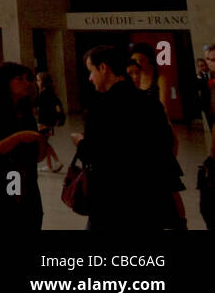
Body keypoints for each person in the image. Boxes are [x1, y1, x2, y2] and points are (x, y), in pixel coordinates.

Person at [73, 45, 184, 230]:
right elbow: (166, 145)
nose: (90, 78)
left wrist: (80, 142)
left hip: (112, 202)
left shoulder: (100, 107)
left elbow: (92, 154)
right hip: (149, 201)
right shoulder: (150, 103)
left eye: (91, 71)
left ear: (103, 68)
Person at [0, 61, 43, 230]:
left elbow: (37, 156)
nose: (27, 83)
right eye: (20, 79)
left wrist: (42, 141)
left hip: (28, 185)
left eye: (27, 79)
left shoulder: (26, 114)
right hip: (3, 185)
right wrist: (18, 138)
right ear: (5, 82)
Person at [34, 71, 65, 173]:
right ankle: (49, 165)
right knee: (44, 143)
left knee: (44, 144)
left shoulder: (43, 94)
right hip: (49, 122)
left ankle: (57, 161)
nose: (36, 82)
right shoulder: (51, 93)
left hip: (44, 123)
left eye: (38, 80)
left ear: (43, 82)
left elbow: (40, 108)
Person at [129, 42, 171, 108]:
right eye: (134, 60)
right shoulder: (130, 76)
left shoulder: (160, 78)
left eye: (141, 60)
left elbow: (164, 106)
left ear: (149, 59)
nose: (138, 63)